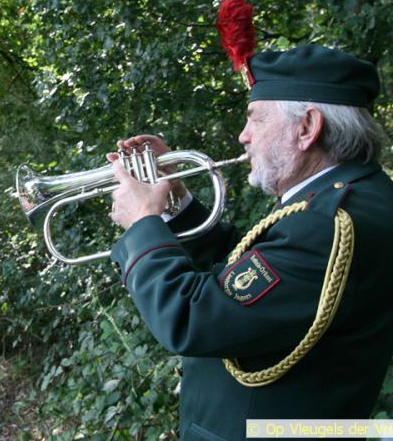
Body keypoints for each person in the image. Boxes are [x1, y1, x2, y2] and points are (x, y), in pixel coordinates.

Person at [107, 41, 393, 440]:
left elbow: (190, 319)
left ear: (307, 128)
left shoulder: (329, 223)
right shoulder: (341, 198)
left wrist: (142, 223)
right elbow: (250, 278)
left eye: (256, 119)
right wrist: (175, 204)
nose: (243, 136)